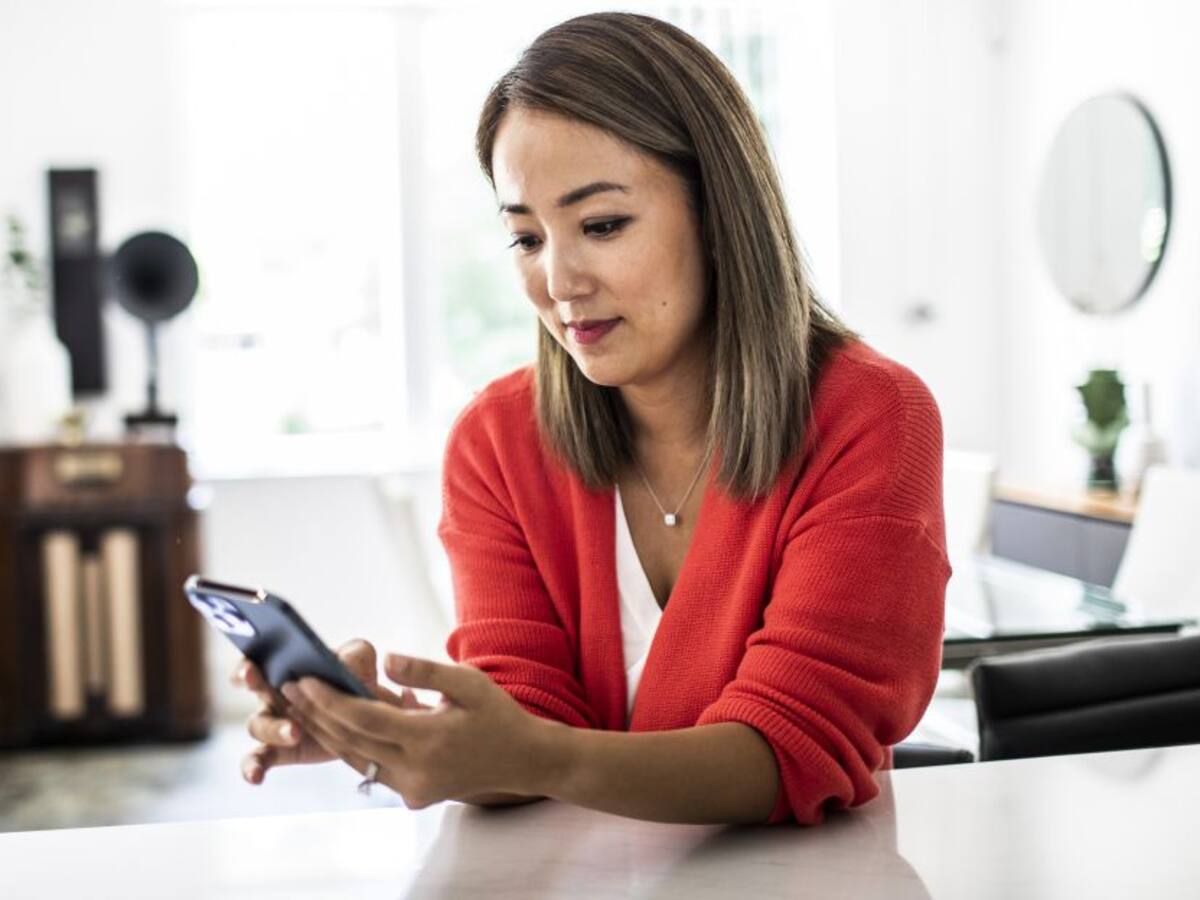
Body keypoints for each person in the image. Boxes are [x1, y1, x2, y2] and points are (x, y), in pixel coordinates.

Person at [234, 11, 950, 826]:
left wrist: (533, 754)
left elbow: (795, 747)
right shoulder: (496, 442)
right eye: (526, 238)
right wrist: (388, 731)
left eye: (602, 225)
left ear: (720, 215)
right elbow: (525, 718)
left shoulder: (869, 417)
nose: (559, 280)